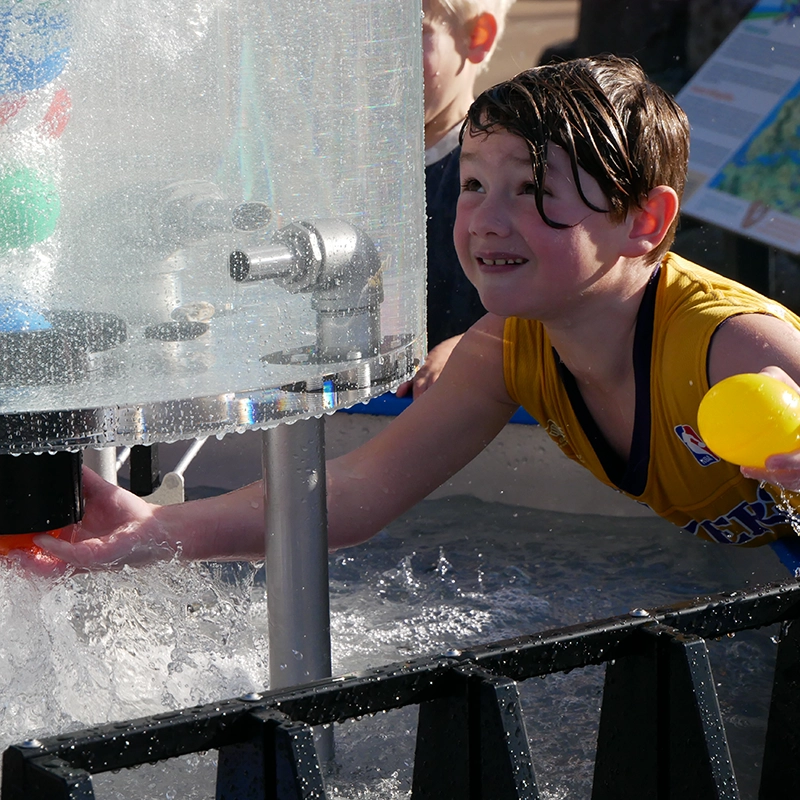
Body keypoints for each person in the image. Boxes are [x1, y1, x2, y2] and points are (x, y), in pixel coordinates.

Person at [33, 56, 800, 570]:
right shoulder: (509, 346)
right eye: (472, 185)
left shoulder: (733, 350)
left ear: (644, 219)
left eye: (533, 190)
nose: (488, 220)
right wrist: (161, 530)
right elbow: (356, 491)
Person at [398, 0, 515, 398]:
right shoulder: (342, 164)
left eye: (406, 32)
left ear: (476, 38)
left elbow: (551, 300)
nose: (380, 58)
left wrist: (477, 345)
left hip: (469, 404)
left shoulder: (510, 173)